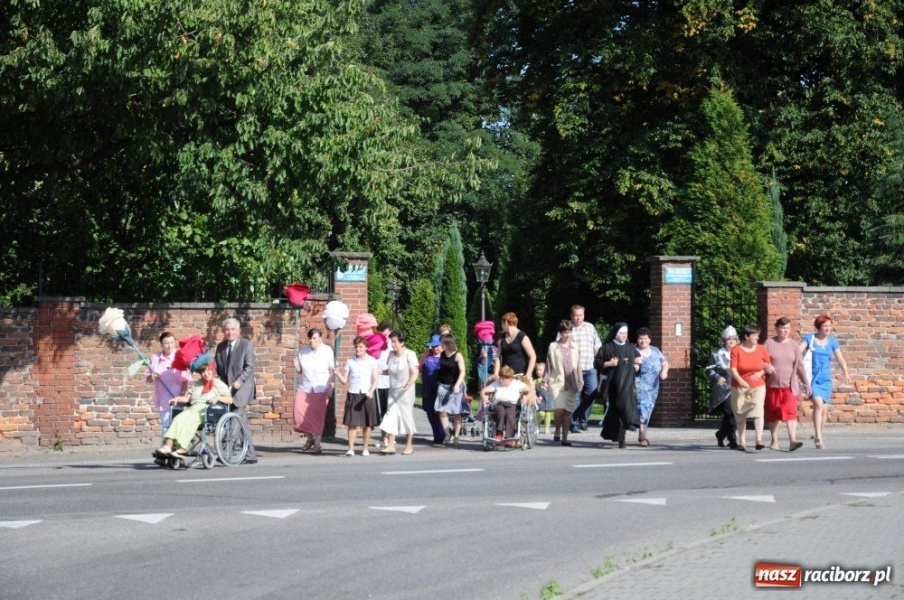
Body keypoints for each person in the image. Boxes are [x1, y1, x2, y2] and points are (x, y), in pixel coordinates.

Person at [156, 362, 230, 457]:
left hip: (207, 410)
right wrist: (178, 398)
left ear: (212, 370)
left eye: (208, 371)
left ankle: (181, 449)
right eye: (203, 372)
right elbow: (187, 398)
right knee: (178, 418)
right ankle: (168, 446)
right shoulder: (196, 384)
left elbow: (229, 399)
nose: (205, 374)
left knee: (190, 421)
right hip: (193, 408)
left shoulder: (218, 384)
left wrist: (218, 398)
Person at [801, 315, 851, 449]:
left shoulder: (833, 342)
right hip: (812, 377)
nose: (828, 328)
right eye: (825, 326)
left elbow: (840, 358)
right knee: (818, 404)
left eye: (829, 325)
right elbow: (798, 351)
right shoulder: (809, 338)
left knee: (824, 409)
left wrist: (846, 372)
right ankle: (818, 437)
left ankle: (819, 434)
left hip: (826, 379)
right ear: (819, 327)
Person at [214, 317, 258, 464]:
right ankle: (251, 454)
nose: (230, 332)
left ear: (238, 331)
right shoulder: (220, 347)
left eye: (233, 329)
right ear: (223, 331)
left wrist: (239, 381)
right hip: (227, 390)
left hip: (242, 388)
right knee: (241, 422)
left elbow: (249, 367)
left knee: (234, 419)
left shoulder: (246, 345)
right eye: (227, 329)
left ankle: (226, 452)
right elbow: (217, 369)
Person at [764, 317, 809, 452]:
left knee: (790, 412)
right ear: (777, 329)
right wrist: (766, 365)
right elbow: (761, 360)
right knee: (774, 413)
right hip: (772, 385)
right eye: (783, 328)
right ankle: (774, 440)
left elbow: (800, 366)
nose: (785, 331)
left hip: (790, 386)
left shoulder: (794, 345)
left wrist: (806, 383)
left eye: (788, 328)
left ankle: (792, 440)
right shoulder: (769, 343)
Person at [597, 323, 641, 448]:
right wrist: (609, 363)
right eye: (621, 333)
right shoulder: (607, 347)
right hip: (612, 386)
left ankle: (623, 438)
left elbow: (638, 359)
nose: (624, 336)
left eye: (625, 333)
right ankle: (619, 437)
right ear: (616, 334)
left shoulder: (631, 348)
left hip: (627, 386)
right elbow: (597, 363)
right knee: (615, 413)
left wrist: (637, 366)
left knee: (625, 410)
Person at [293, 327, 335, 454]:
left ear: (320, 338)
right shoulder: (304, 351)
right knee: (299, 414)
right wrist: (296, 366)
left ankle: (317, 443)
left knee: (318, 417)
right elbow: (301, 371)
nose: (312, 341)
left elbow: (332, 370)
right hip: (305, 387)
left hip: (320, 387)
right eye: (310, 338)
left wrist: (331, 386)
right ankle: (310, 438)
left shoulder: (327, 351)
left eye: (315, 338)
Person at [730, 324, 771, 452]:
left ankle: (759, 439)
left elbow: (767, 365)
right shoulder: (736, 350)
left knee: (758, 408)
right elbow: (733, 369)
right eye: (754, 336)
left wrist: (760, 373)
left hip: (758, 385)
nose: (757, 338)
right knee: (740, 412)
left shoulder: (761, 349)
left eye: (758, 336)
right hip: (739, 386)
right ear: (746, 336)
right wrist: (740, 380)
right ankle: (742, 441)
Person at [335, 336, 379, 457]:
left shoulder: (372, 361)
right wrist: (338, 373)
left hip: (367, 394)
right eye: (356, 347)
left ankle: (365, 448)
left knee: (367, 423)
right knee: (352, 423)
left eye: (360, 347)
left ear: (366, 347)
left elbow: (375, 379)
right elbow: (344, 380)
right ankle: (350, 448)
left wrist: (371, 391)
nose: (358, 349)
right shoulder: (350, 361)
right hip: (353, 393)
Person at [146, 332, 191, 444]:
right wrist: (152, 376)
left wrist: (182, 395)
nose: (170, 346)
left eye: (172, 342)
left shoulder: (180, 357)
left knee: (177, 426)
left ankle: (175, 449)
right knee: (166, 425)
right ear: (161, 344)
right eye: (166, 343)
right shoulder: (155, 358)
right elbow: (148, 379)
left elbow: (186, 379)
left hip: (177, 396)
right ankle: (165, 450)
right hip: (163, 397)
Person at [379, 330, 419, 455]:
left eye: (395, 342)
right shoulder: (390, 355)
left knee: (406, 416)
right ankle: (391, 445)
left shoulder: (409, 354)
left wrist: (409, 383)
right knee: (391, 416)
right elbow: (389, 371)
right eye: (392, 342)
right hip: (393, 390)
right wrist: (379, 372)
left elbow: (415, 372)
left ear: (402, 342)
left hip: (406, 392)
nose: (393, 344)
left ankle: (409, 445)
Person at [546, 320, 583, 446]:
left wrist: (580, 380)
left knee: (568, 411)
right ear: (560, 333)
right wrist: (545, 380)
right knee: (559, 409)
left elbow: (578, 365)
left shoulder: (575, 347)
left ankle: (565, 437)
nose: (567, 335)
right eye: (565, 332)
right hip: (557, 382)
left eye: (569, 332)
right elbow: (549, 365)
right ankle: (557, 429)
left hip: (572, 383)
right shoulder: (553, 346)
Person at [568, 305, 603, 432]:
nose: (578, 318)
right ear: (571, 316)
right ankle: (574, 422)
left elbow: (597, 345)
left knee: (592, 394)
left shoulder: (590, 327)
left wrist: (599, 358)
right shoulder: (568, 328)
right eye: (576, 315)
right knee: (575, 396)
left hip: (590, 368)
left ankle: (584, 420)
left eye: (581, 315)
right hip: (574, 369)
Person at [705, 326, 739, 449]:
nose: (731, 342)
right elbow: (709, 370)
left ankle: (721, 434)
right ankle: (733, 439)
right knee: (731, 413)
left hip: (738, 388)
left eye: (733, 339)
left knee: (734, 414)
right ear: (724, 340)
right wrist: (717, 377)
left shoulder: (740, 353)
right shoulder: (717, 355)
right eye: (729, 339)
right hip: (724, 390)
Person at [635, 327, 669, 446]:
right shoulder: (635, 352)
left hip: (653, 388)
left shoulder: (655, 350)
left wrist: (664, 372)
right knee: (643, 411)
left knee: (647, 411)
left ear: (649, 339)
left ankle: (641, 434)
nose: (643, 341)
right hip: (639, 388)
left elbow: (664, 363)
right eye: (640, 339)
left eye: (645, 338)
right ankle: (643, 437)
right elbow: (634, 368)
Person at [479, 365, 530, 445]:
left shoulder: (517, 384)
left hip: (512, 405)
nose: (500, 380)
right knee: (501, 411)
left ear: (510, 378)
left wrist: (526, 398)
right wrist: (484, 398)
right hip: (498, 404)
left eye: (503, 378)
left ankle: (509, 437)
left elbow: (531, 391)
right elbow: (483, 391)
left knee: (510, 414)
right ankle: (499, 434)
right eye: (500, 377)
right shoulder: (497, 383)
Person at [434, 334, 467, 445]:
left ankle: (456, 435)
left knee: (456, 412)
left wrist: (457, 385)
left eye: (442, 343)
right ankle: (447, 434)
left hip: (455, 386)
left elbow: (462, 371)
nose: (440, 345)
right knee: (442, 411)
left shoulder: (458, 355)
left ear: (448, 343)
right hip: (443, 385)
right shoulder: (442, 354)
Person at [420, 334, 446, 446]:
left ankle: (441, 436)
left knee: (439, 412)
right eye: (433, 346)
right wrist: (426, 353)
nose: (435, 348)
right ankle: (437, 435)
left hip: (440, 389)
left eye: (438, 346)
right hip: (428, 390)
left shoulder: (445, 358)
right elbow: (419, 367)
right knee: (430, 412)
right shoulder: (428, 358)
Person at [494, 312, 536, 378]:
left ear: (506, 323)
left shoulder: (522, 336)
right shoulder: (501, 338)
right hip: (506, 376)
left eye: (502, 323)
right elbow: (498, 356)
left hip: (521, 375)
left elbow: (532, 356)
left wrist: (528, 374)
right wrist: (496, 374)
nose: (501, 325)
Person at [374, 321, 392, 445]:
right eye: (383, 334)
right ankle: (383, 436)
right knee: (380, 411)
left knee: (390, 410)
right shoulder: (376, 344)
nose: (385, 337)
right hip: (378, 383)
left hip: (390, 383)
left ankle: (390, 436)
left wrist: (384, 371)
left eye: (387, 335)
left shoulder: (392, 345)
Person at [533, 362, 554, 434]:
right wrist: (536, 398)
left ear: (545, 371)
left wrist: (549, 387)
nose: (538, 371)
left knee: (548, 414)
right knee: (541, 414)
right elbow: (533, 391)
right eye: (537, 370)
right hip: (540, 400)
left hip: (549, 399)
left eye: (540, 370)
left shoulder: (549, 380)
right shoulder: (535, 381)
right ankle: (537, 426)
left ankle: (547, 429)